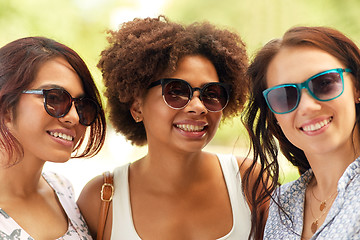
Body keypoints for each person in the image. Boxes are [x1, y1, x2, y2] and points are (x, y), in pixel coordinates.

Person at [77, 16, 270, 240]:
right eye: (176, 91)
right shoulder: (100, 200)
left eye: (211, 94)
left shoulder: (250, 181)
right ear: (137, 105)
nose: (198, 107)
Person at [243, 25, 360, 239]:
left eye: (325, 83)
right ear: (274, 116)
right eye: (284, 95)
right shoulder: (282, 205)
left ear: (357, 88)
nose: (307, 107)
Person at [0, 36, 106, 239]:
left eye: (82, 106)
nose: (74, 117)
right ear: (5, 108)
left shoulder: (61, 188)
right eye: (55, 98)